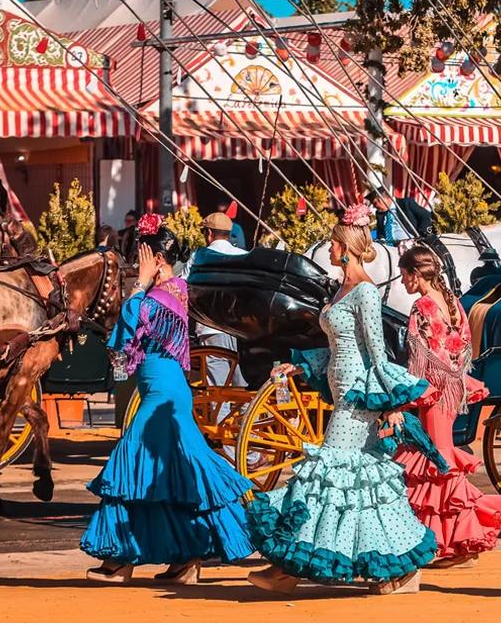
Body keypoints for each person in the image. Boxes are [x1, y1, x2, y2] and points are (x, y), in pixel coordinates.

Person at [244, 204, 435, 596]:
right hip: (340, 391)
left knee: (326, 474)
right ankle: (398, 569)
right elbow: (336, 348)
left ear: (345, 246)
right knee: (360, 483)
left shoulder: (364, 292)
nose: (328, 250)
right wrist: (299, 366)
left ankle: (289, 566)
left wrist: (392, 404)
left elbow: (377, 355)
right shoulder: (341, 289)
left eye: (332, 243)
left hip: (357, 400)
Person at [82, 216, 254, 583]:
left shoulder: (165, 294)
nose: (135, 264)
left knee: (130, 463)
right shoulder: (169, 289)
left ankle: (120, 558)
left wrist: (140, 284)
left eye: (140, 257)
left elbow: (130, 321)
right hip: (162, 391)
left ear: (156, 259)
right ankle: (187, 558)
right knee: (173, 474)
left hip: (164, 396)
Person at [395, 246, 501, 568]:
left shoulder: (422, 306)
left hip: (433, 393)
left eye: (405, 276)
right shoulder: (453, 304)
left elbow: (418, 358)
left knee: (437, 465)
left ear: (416, 275)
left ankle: (446, 541)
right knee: (439, 460)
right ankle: (456, 542)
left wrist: (409, 393)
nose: (403, 283)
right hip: (453, 389)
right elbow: (461, 351)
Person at [184, 212, 249, 454]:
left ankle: (227, 450)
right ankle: (250, 450)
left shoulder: (200, 256)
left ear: (208, 234)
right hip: (243, 330)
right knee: (243, 389)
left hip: (212, 329)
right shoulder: (243, 256)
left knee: (217, 390)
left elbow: (183, 286)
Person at [367, 188, 433, 246]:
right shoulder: (379, 213)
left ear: (382, 199)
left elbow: (425, 216)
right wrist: (381, 239)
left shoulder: (406, 203)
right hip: (389, 246)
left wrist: (422, 234)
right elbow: (380, 232)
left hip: (410, 244)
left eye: (375, 203)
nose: (374, 207)